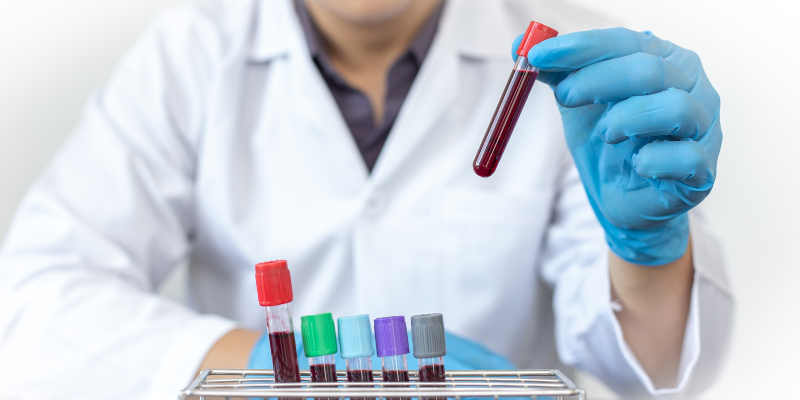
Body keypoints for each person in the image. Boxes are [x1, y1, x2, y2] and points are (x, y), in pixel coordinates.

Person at [0, 0, 732, 399]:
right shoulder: (190, 54)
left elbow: (658, 369)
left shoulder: (578, 65)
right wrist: (264, 373)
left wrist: (650, 249)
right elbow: (34, 304)